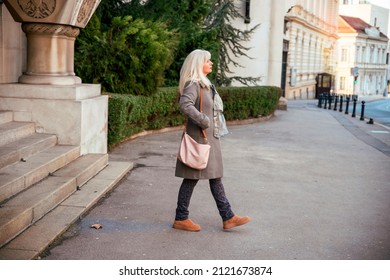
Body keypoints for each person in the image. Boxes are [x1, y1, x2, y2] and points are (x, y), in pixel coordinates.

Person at [173, 49, 250, 232]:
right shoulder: (194, 84)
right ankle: (181, 218)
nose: (211, 63)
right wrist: (203, 120)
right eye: (208, 60)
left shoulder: (205, 84)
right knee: (192, 178)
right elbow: (185, 105)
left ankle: (227, 216)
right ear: (198, 64)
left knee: (214, 177)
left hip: (209, 139)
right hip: (200, 138)